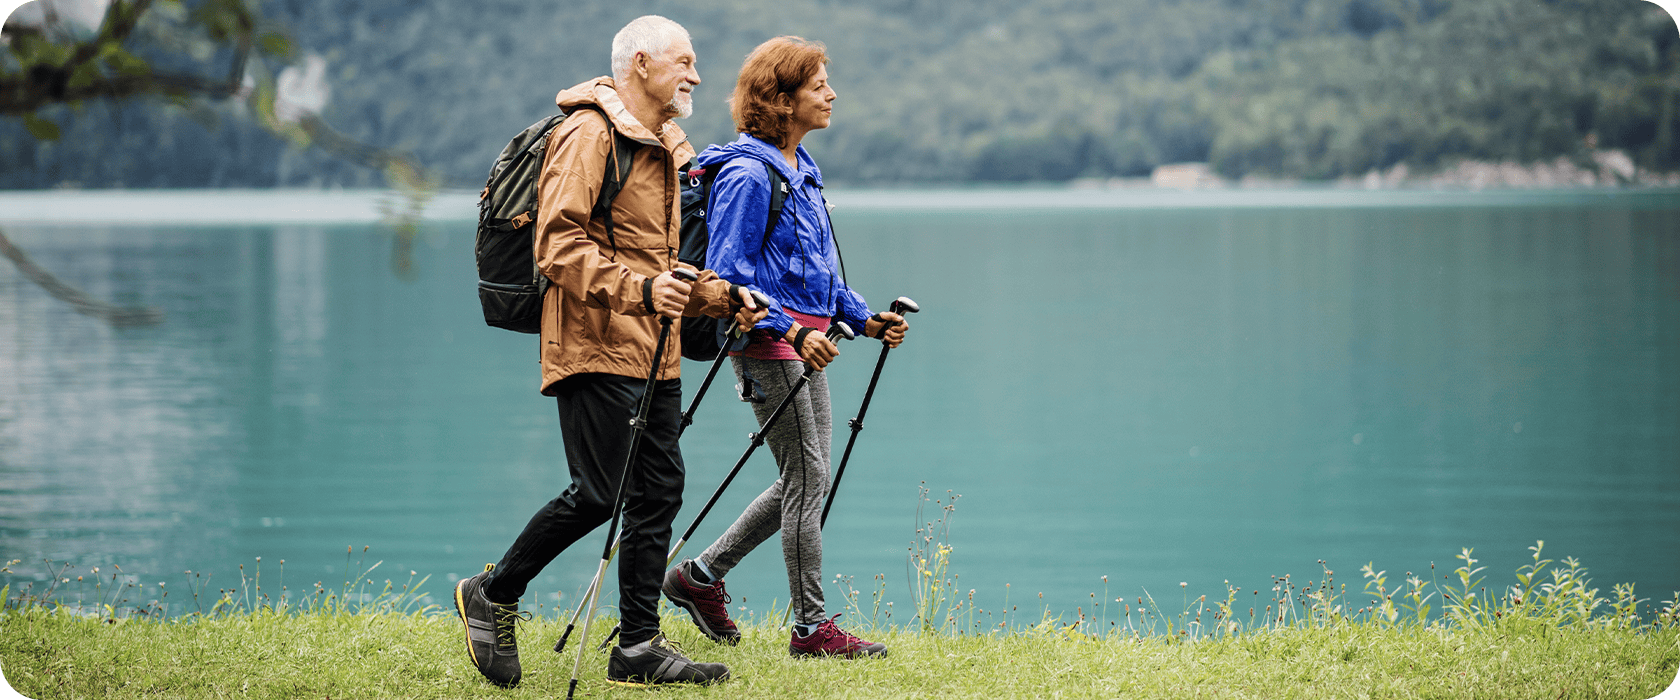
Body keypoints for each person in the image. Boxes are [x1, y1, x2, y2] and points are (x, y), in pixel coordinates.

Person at [452, 15, 764, 689]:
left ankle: (639, 645)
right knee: (600, 492)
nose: (696, 75)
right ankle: (494, 592)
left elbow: (663, 266)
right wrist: (647, 290)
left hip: (655, 347)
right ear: (643, 63)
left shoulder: (661, 145)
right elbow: (558, 248)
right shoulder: (589, 133)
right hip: (593, 344)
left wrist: (724, 298)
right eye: (684, 61)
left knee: (659, 490)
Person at [661, 35, 909, 659]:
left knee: (806, 477)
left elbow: (816, 272)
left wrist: (862, 318)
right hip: (769, 347)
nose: (831, 93)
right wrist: (791, 331)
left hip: (807, 344)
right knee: (807, 476)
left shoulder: (801, 167)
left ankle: (699, 577)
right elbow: (728, 277)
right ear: (781, 97)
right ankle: (811, 629)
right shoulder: (747, 175)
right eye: (818, 84)